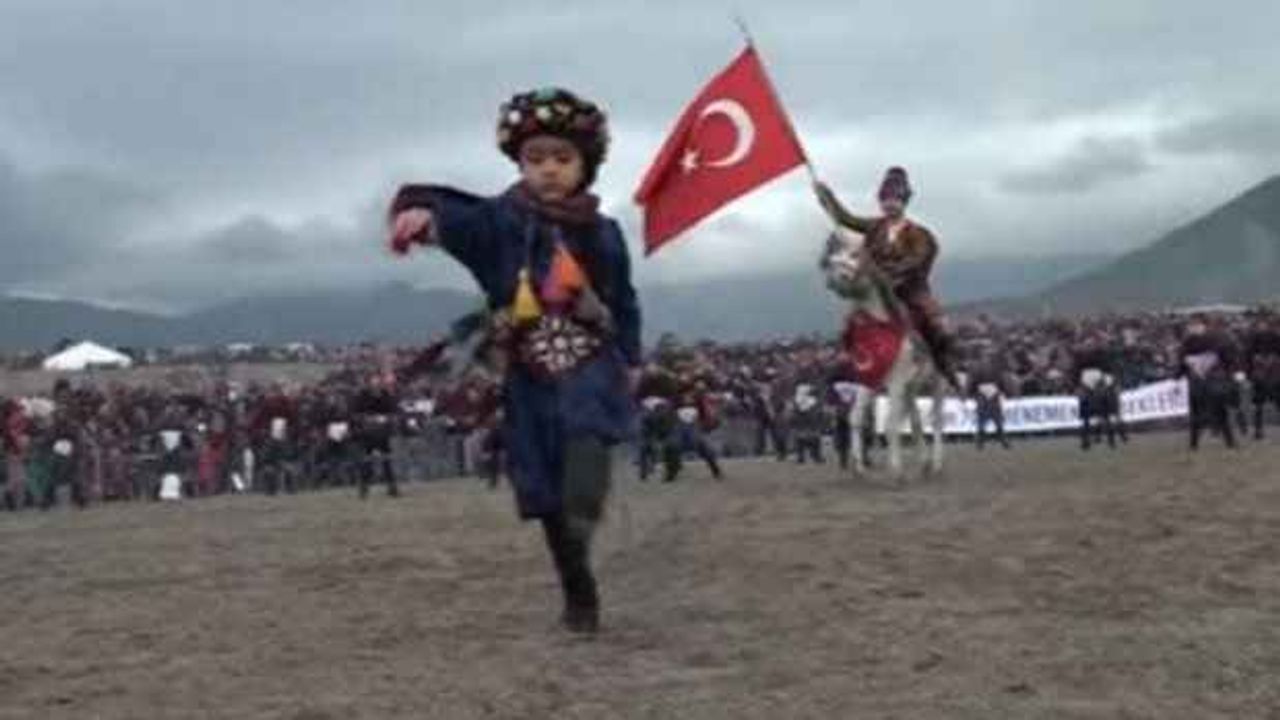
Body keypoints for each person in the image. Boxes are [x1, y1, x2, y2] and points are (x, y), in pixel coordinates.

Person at [387, 87, 641, 634]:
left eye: (562, 158)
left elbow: (623, 300)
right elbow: (452, 215)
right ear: (520, 163)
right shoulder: (499, 222)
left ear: (585, 165)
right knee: (545, 491)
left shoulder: (605, 233)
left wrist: (632, 356)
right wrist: (420, 216)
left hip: (590, 362)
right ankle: (578, 590)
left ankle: (583, 518)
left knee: (584, 451)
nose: (549, 169)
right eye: (536, 158)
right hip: (528, 369)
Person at [814, 167, 955, 384]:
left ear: (904, 202)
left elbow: (919, 258)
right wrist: (826, 197)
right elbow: (845, 219)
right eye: (885, 199)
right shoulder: (874, 226)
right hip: (877, 286)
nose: (889, 204)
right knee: (851, 322)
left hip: (908, 287)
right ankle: (854, 359)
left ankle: (945, 368)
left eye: (894, 199)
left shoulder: (918, 234)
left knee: (935, 325)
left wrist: (892, 272)